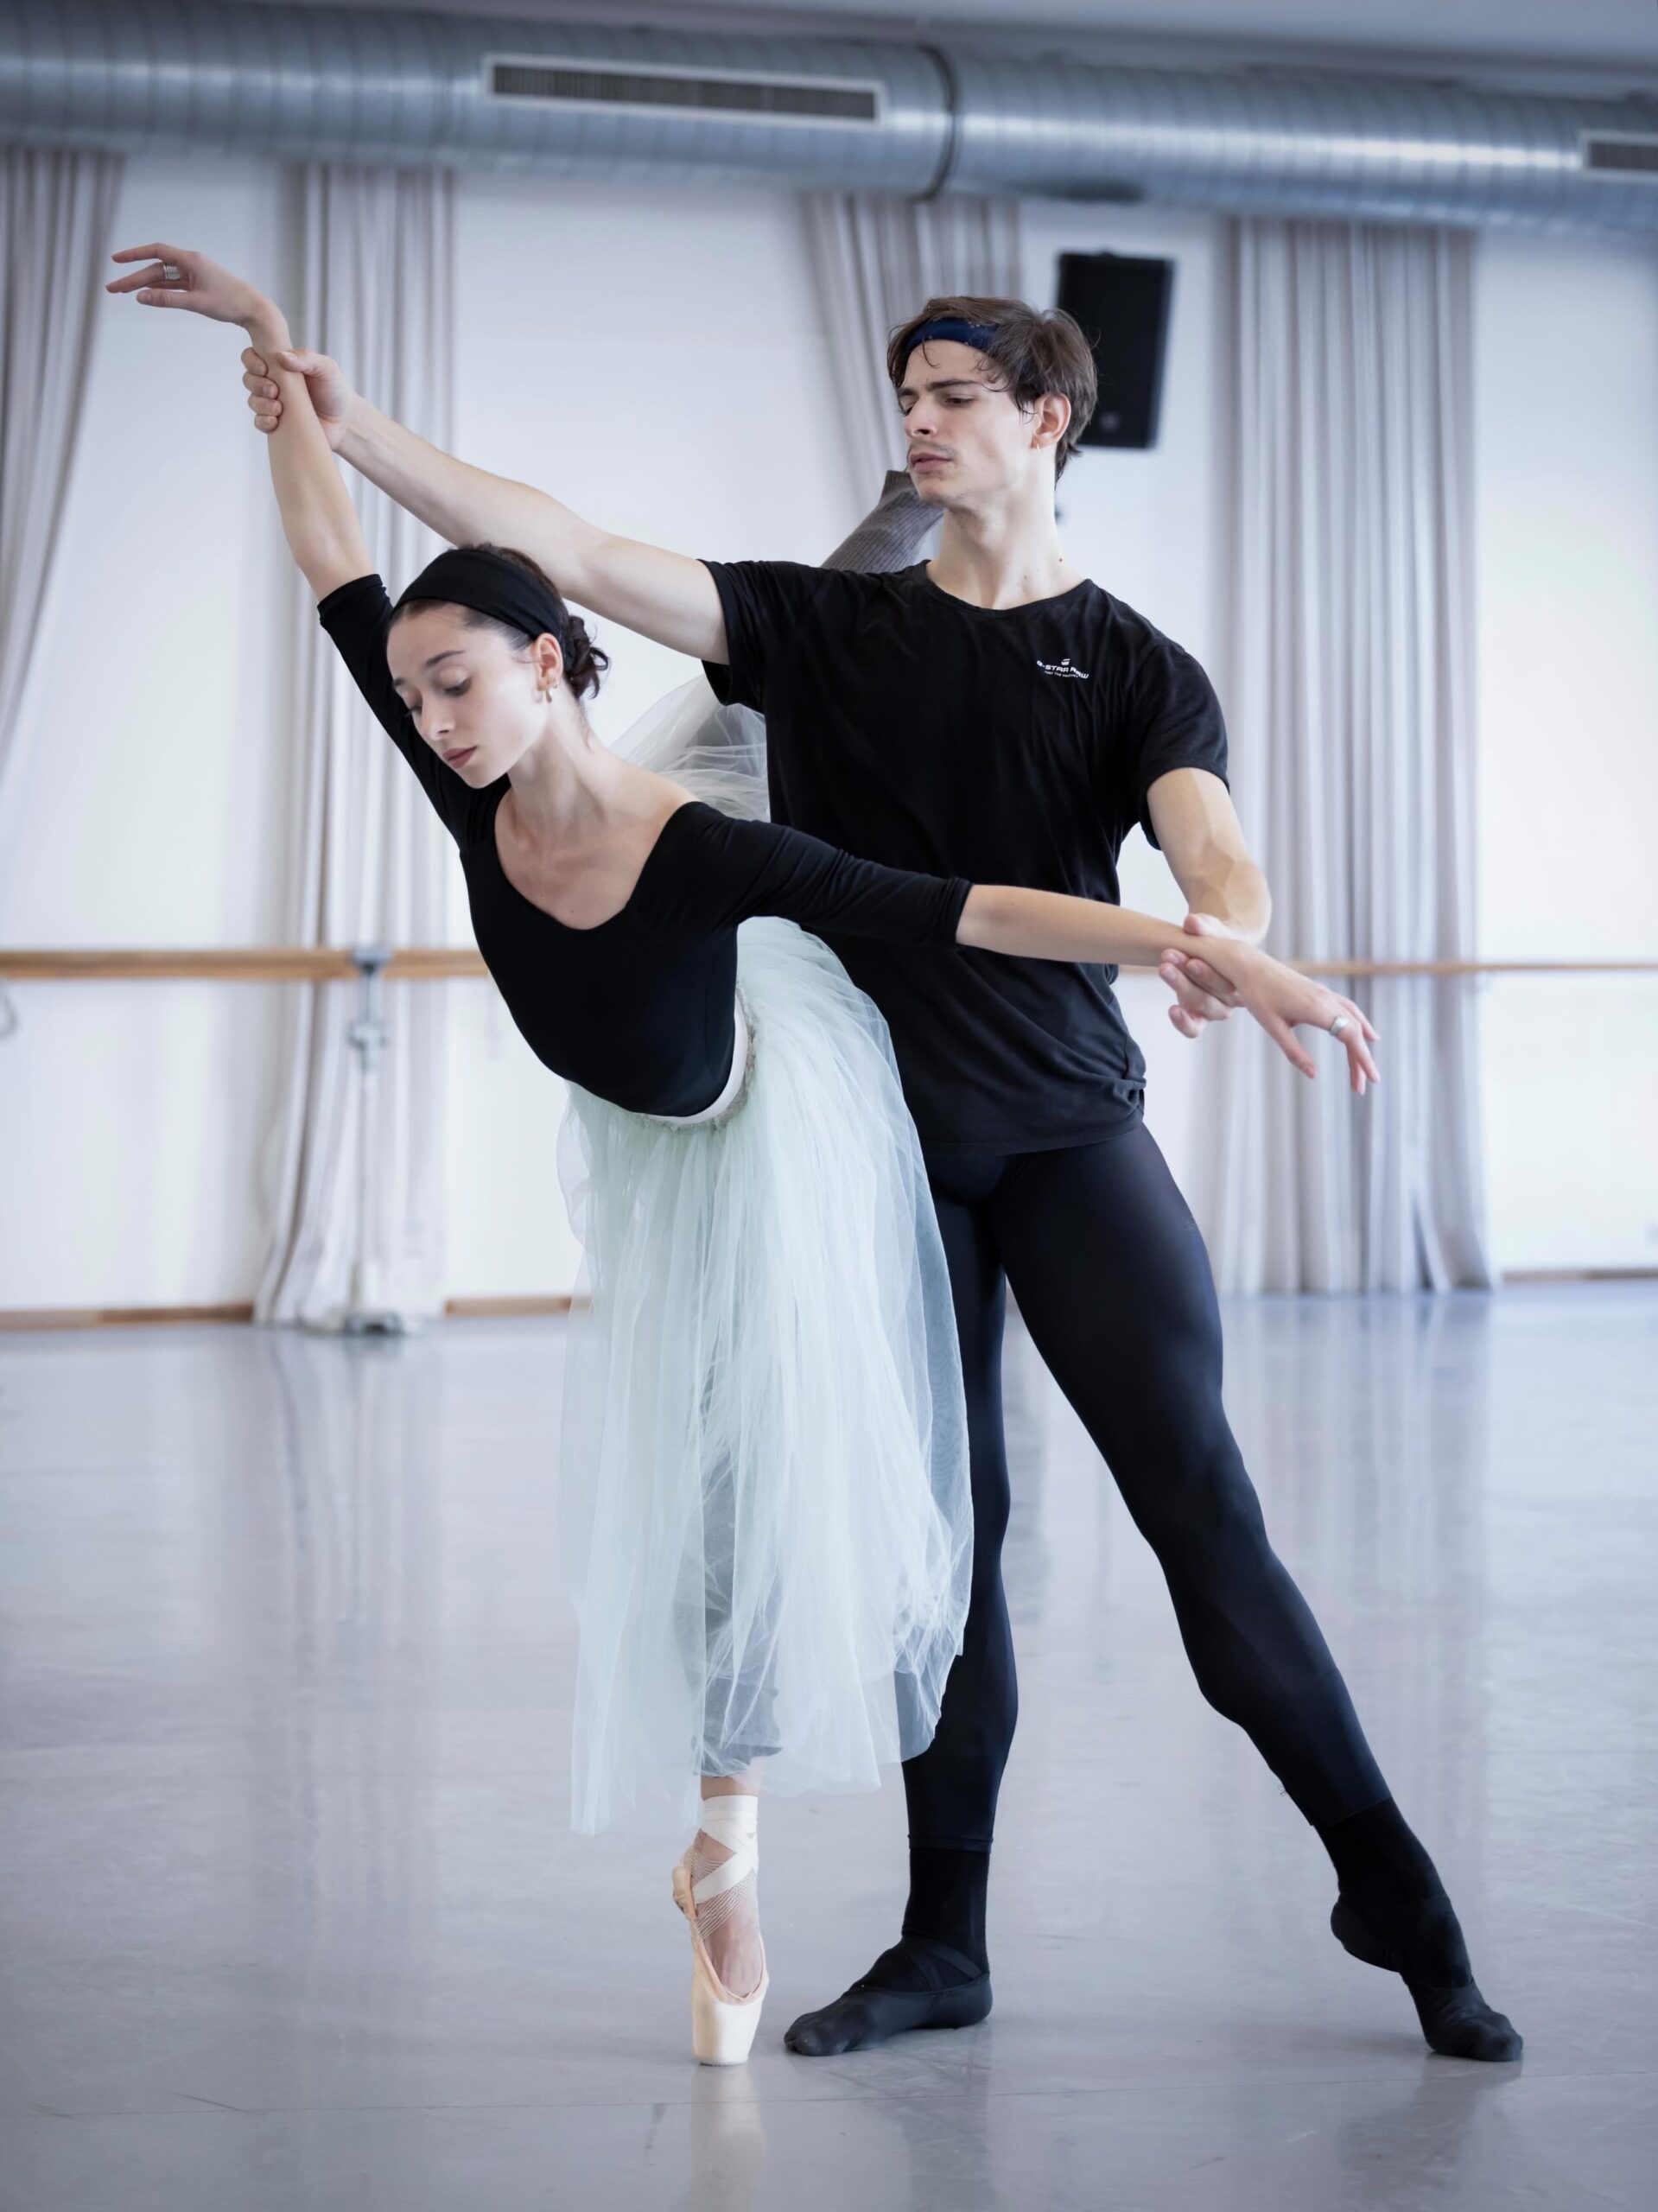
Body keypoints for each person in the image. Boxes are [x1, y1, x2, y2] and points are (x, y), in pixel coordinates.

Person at [108, 243, 1380, 2069]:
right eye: (429, 694)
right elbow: (358, 562)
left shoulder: (777, 813)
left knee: (832, 1494)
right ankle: (809, 1874)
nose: (442, 719)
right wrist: (285, 377)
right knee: (764, 1506)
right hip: (665, 1112)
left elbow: (984, 901)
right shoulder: (469, 749)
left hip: (797, 1094)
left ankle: (760, 1855)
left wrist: (1223, 938)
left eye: (956, 398)